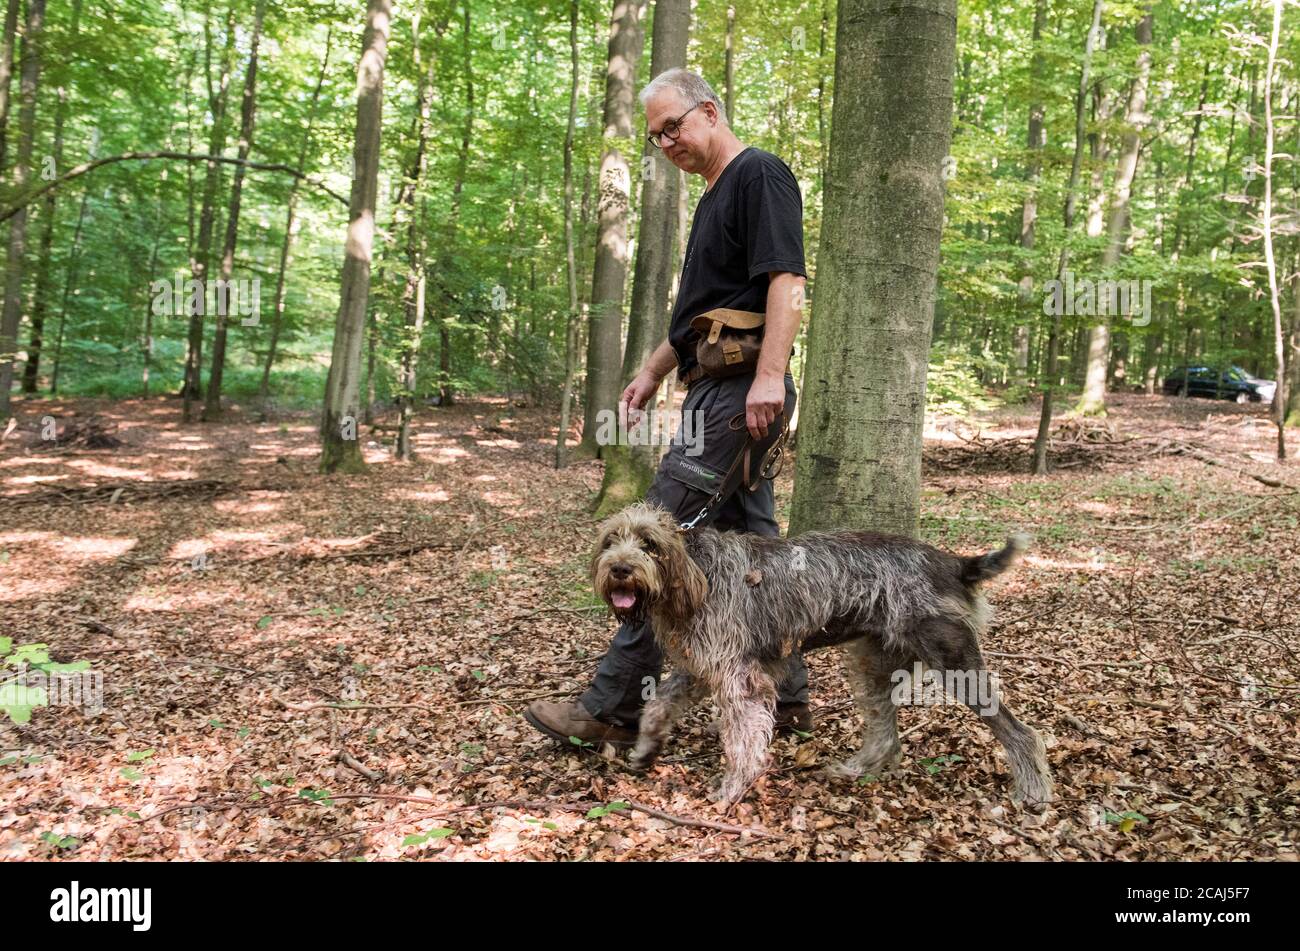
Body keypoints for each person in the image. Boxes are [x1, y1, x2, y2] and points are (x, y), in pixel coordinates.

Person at [525, 68, 810, 747]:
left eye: (672, 127)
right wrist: (652, 372)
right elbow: (694, 314)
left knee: (656, 538)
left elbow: (788, 281)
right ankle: (789, 700)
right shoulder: (712, 197)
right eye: (655, 137)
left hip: (742, 393)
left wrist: (770, 374)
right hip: (714, 390)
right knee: (756, 556)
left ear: (708, 111)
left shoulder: (759, 175)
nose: (665, 143)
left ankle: (612, 712)